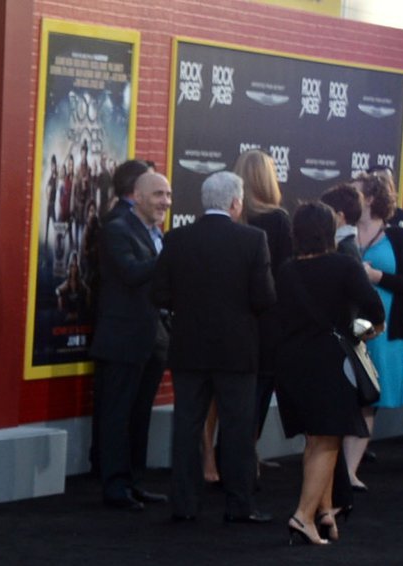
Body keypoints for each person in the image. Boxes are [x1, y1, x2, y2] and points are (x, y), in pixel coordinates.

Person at [151, 170, 276, 523]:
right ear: (236, 204)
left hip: (188, 347)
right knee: (237, 428)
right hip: (237, 350)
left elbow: (158, 293)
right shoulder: (253, 240)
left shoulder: (176, 239)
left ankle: (185, 505)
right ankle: (239, 505)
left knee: (187, 425)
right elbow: (265, 298)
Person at [271, 201, 385, 544]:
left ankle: (323, 514)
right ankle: (302, 516)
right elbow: (375, 311)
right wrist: (360, 332)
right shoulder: (344, 266)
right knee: (327, 440)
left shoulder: (285, 271)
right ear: (329, 230)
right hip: (330, 362)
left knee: (317, 439)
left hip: (291, 363)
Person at [210, 149, 293, 492]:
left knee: (226, 396)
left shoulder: (227, 221)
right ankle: (243, 459)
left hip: (227, 319)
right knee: (257, 393)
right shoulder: (277, 220)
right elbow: (285, 274)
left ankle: (226, 457)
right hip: (268, 322)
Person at [89, 163, 170, 511]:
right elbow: (130, 273)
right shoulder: (118, 230)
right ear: (137, 197)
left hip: (151, 339)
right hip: (122, 339)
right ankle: (115, 485)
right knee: (117, 415)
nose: (165, 201)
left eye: (167, 194)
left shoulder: (156, 234)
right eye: (157, 194)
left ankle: (135, 481)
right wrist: (170, 259)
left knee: (140, 417)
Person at [346, 173, 403, 495]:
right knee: (344, 393)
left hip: (384, 327)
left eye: (357, 192)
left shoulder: (399, 237)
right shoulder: (341, 233)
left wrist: (377, 276)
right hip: (344, 325)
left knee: (367, 396)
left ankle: (349, 471)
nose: (351, 196)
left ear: (372, 198)